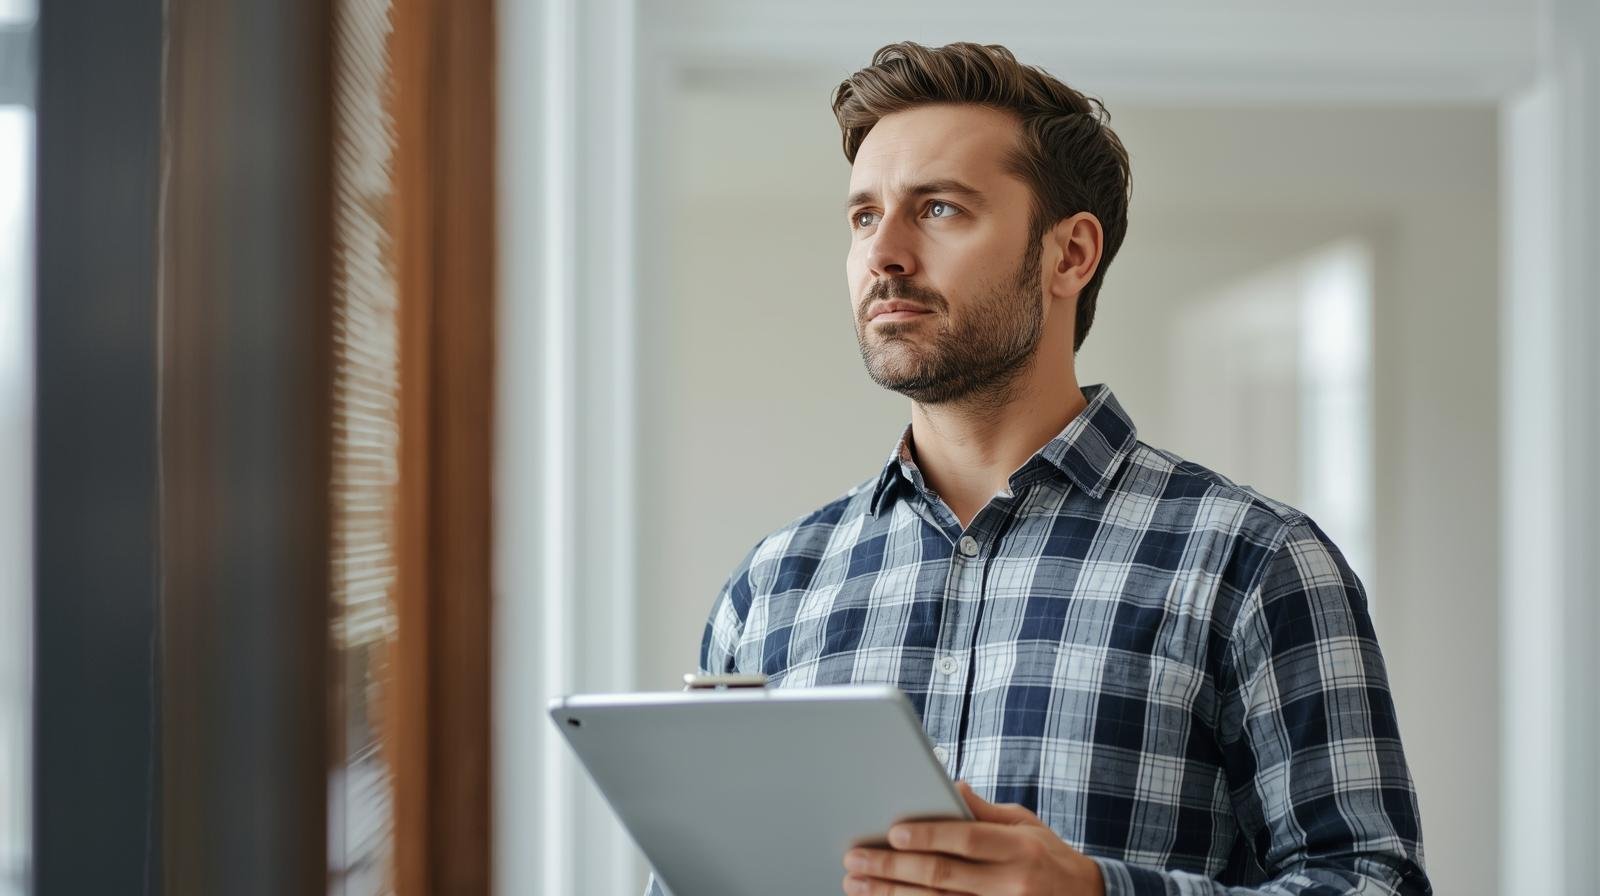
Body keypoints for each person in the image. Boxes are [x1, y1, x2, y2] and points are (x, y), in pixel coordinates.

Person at [649, 41, 1429, 896]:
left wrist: (1096, 892)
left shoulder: (1252, 562)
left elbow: (1375, 881)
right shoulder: (772, 588)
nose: (886, 254)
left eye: (939, 208)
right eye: (865, 216)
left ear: (1070, 255)